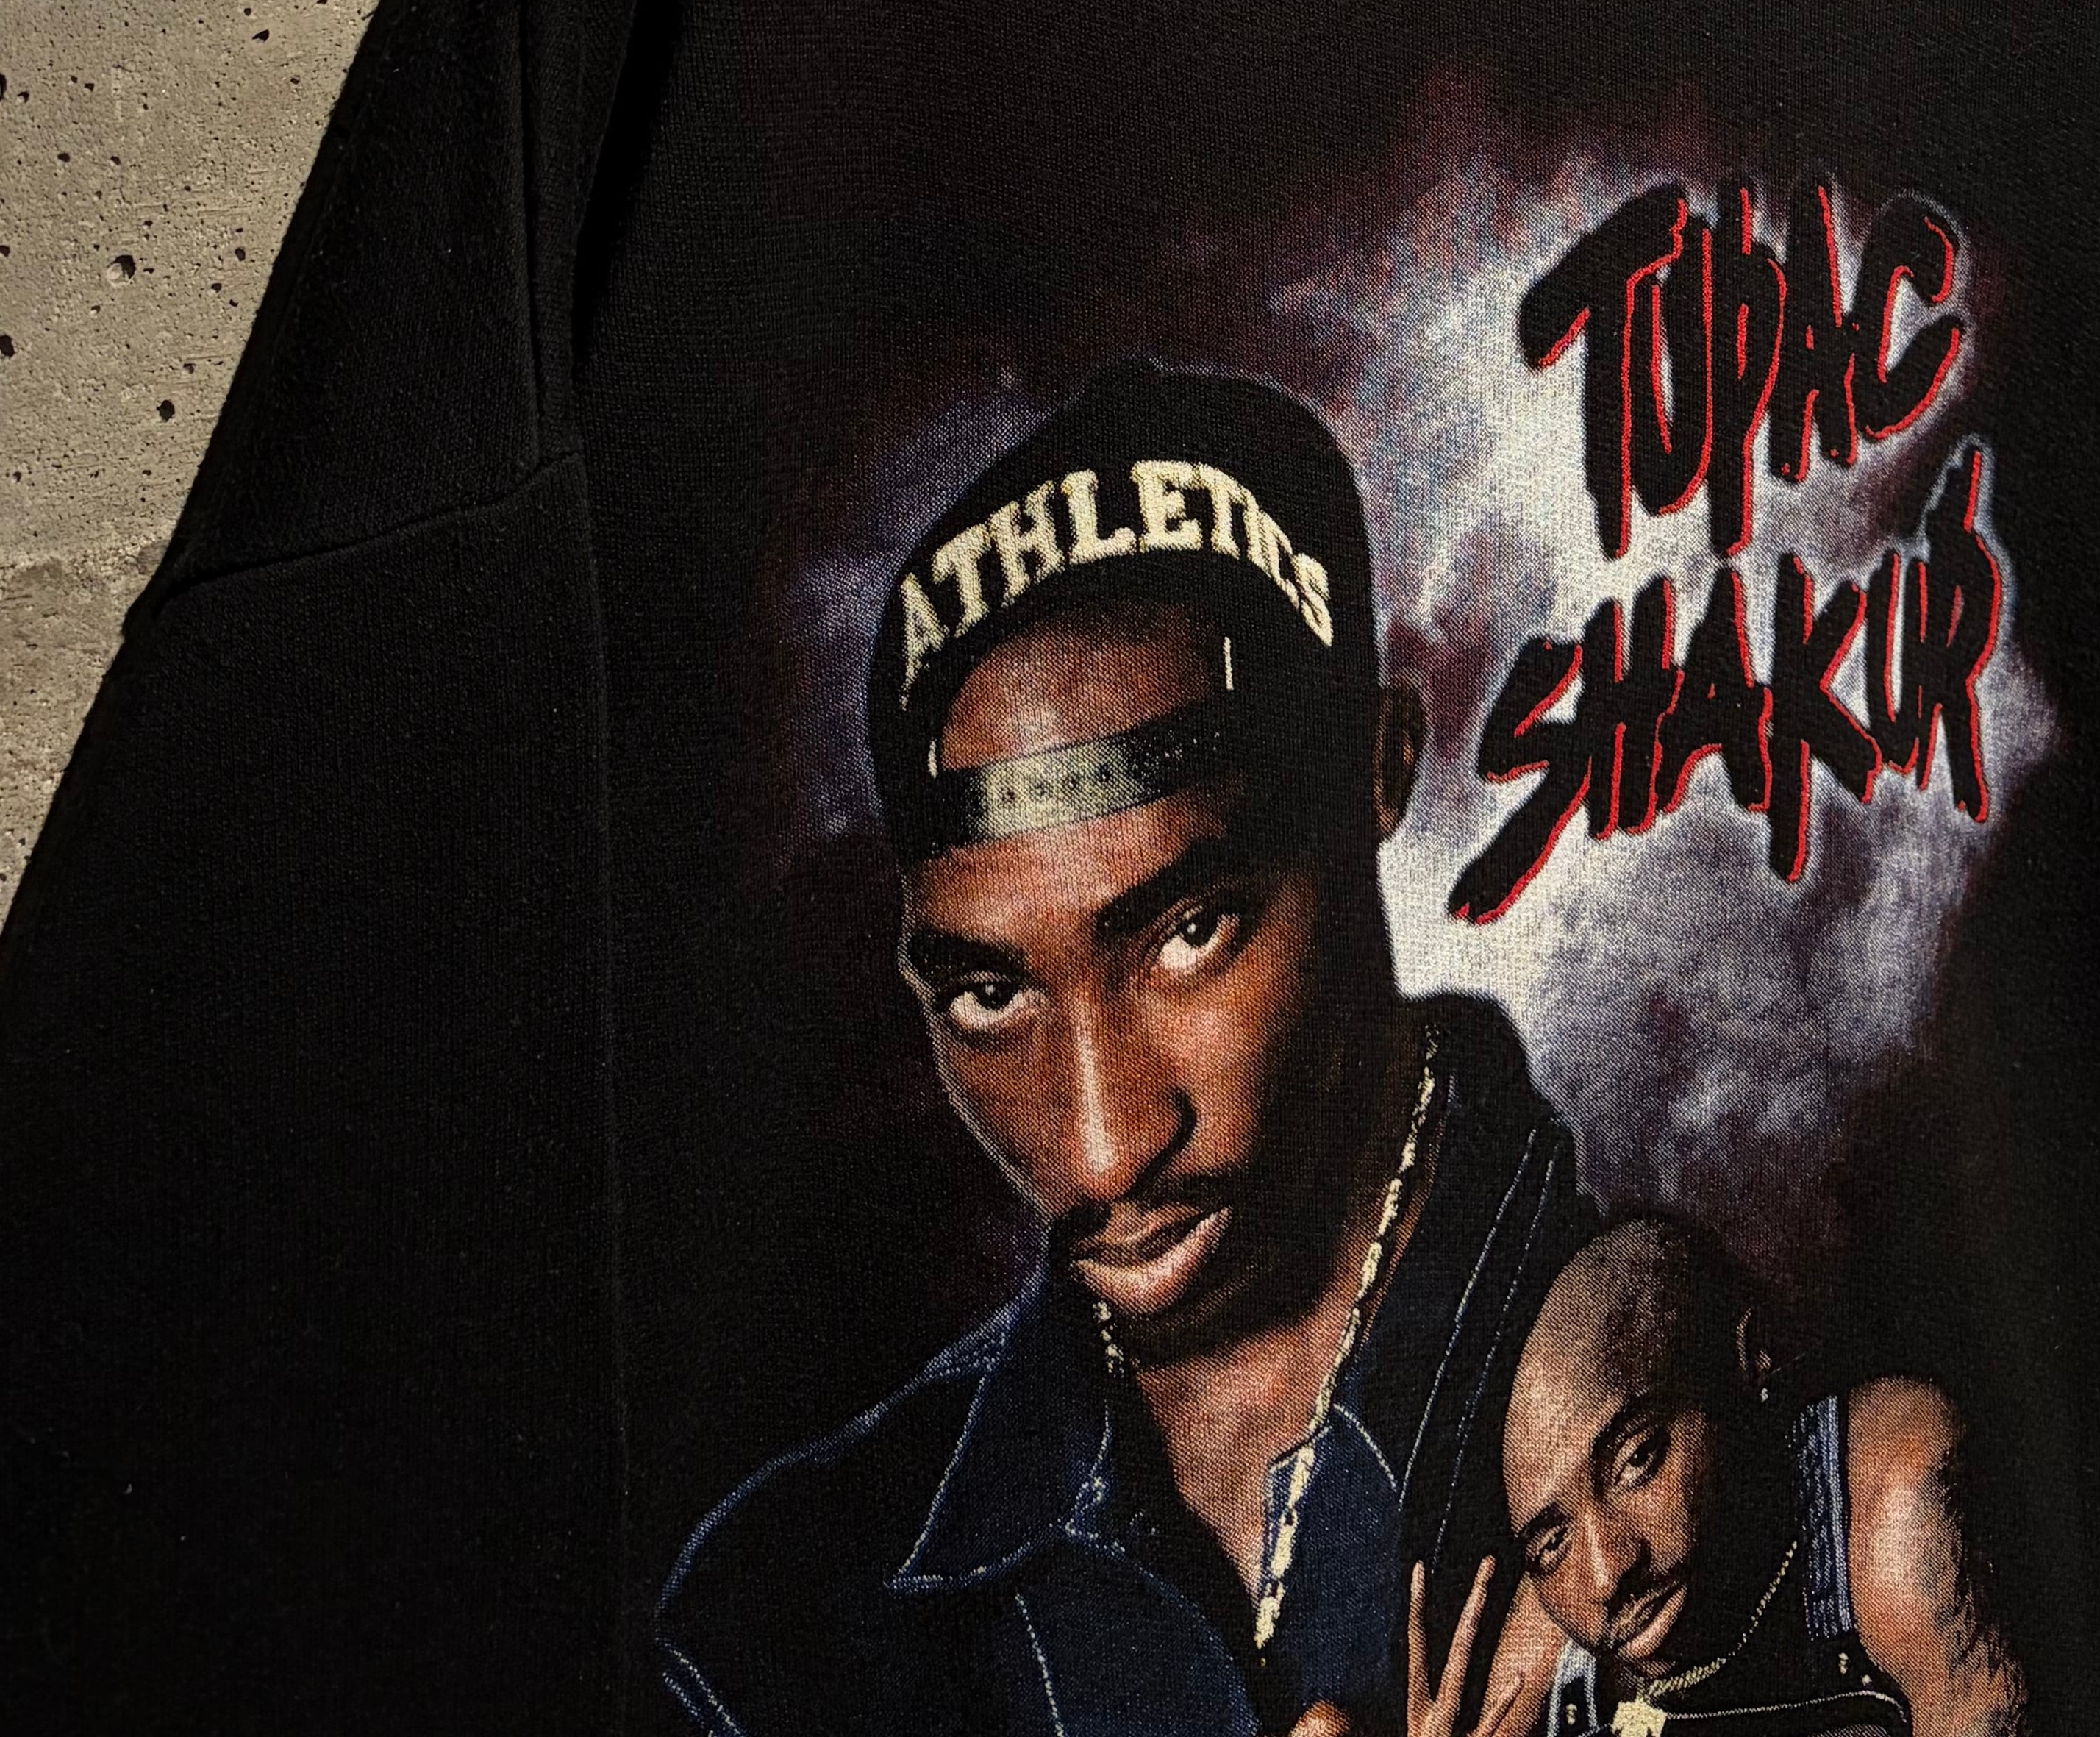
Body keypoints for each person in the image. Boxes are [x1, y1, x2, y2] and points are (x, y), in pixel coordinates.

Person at [654, 363, 1589, 1737]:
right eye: (990, 994)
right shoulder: (783, 1622)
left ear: (1377, 770)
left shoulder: (1711, 1413)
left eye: (1190, 930)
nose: (1099, 1150)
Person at [1482, 1217, 2020, 1737]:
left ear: (1745, 1361)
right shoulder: (1563, 1606)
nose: (1608, 1574)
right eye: (1550, 1543)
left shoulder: (1886, 1497)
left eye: (1638, 1461)